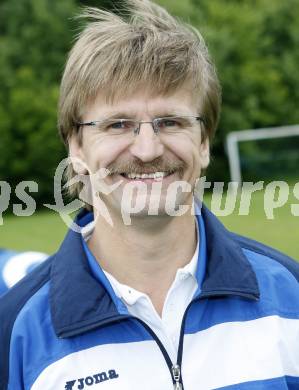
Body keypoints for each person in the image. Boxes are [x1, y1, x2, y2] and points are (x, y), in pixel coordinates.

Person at [1, 1, 299, 389]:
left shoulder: (290, 293)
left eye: (170, 121)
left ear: (204, 142)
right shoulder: (14, 330)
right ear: (77, 149)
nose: (147, 150)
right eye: (118, 124)